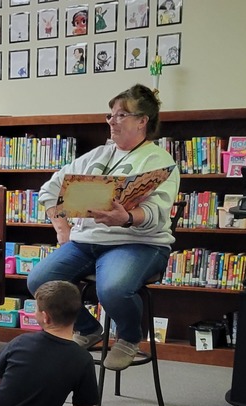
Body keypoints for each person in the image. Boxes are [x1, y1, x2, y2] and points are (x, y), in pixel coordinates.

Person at [27, 84, 179, 371]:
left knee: (113, 289)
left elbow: (157, 212)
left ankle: (129, 338)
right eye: (110, 115)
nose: (112, 121)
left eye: (121, 115)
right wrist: (61, 227)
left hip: (138, 243)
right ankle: (88, 328)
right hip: (86, 241)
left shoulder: (159, 161)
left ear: (142, 120)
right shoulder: (97, 155)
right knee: (40, 281)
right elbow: (49, 189)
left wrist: (128, 217)